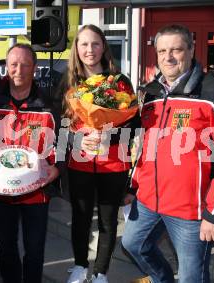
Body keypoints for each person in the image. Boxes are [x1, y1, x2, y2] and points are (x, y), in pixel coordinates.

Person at [121, 24, 214, 283]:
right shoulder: (151, 93)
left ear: (191, 50)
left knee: (192, 278)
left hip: (191, 211)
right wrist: (132, 187)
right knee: (132, 244)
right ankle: (162, 279)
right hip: (148, 202)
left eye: (176, 49)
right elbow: (143, 147)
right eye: (162, 51)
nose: (168, 57)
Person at [58, 24, 140, 283]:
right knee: (80, 219)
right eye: (84, 44)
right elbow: (59, 127)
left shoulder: (120, 82)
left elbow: (134, 124)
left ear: (104, 46)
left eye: (95, 44)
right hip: (79, 164)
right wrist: (77, 138)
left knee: (108, 221)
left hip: (114, 163)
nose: (89, 50)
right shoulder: (68, 83)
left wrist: (108, 136)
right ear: (76, 49)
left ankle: (101, 272)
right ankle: (81, 266)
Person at [0, 43, 59, 283]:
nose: (18, 70)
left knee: (34, 252)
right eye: (13, 64)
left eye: (25, 64)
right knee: (6, 250)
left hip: (36, 194)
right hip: (1, 194)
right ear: (6, 67)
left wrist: (56, 168)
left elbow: (64, 142)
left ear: (34, 68)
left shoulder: (49, 105)